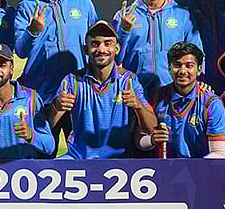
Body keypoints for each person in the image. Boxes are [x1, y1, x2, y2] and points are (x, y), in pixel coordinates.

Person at [47, 21, 154, 159]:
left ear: (117, 49)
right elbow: (46, 126)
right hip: (79, 158)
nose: (101, 49)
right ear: (86, 49)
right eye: (95, 44)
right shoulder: (72, 80)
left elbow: (152, 129)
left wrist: (138, 106)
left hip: (119, 161)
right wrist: (56, 106)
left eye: (107, 43)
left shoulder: (129, 80)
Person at [15, 0, 99, 106]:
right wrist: (32, 31)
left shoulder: (82, 1)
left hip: (80, 92)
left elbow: (97, 42)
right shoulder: (26, 7)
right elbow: (21, 51)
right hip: (42, 95)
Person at [114, 0, 199, 98]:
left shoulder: (183, 15)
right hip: (134, 96)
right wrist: (123, 32)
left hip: (173, 97)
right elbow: (114, 60)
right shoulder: (124, 16)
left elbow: (197, 56)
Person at [142, 42, 225, 158]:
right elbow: (139, 140)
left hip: (200, 171)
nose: (182, 71)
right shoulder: (156, 97)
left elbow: (219, 153)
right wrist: (152, 140)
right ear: (169, 68)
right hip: (163, 170)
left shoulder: (212, 104)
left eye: (189, 66)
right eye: (177, 65)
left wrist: (192, 170)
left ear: (199, 70)